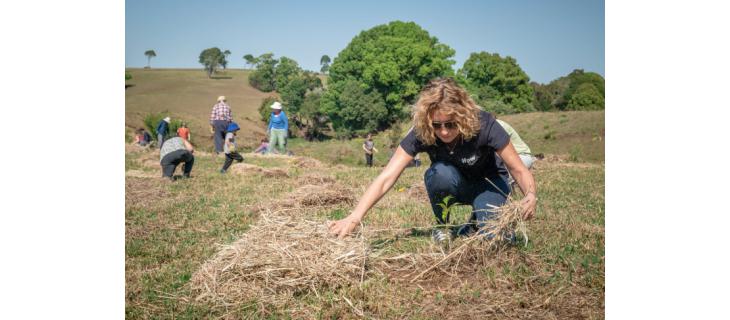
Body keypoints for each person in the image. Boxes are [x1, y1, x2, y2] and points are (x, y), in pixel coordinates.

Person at [328, 78, 537, 244]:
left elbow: (518, 169)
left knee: (497, 239)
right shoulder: (422, 130)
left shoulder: (484, 124)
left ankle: (477, 221)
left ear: (463, 115)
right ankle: (443, 227)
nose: (444, 131)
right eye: (437, 125)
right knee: (439, 173)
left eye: (451, 124)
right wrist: (355, 217)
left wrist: (530, 194)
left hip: (490, 184)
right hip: (454, 182)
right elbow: (387, 176)